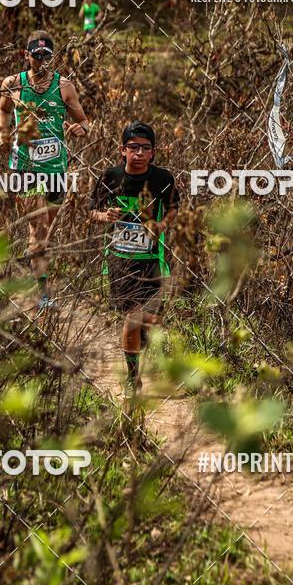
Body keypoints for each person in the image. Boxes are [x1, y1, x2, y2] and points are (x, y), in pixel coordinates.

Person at [0, 30, 90, 310]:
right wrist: (2, 133)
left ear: (52, 56)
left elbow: (84, 121)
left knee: (45, 230)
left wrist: (80, 129)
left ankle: (33, 256)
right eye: (35, 56)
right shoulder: (12, 84)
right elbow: (3, 109)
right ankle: (43, 294)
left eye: (45, 56)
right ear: (26, 56)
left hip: (55, 169)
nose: (40, 61)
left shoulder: (65, 87)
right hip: (24, 167)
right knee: (36, 228)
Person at [90, 121, 178, 394]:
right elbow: (91, 211)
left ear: (153, 152)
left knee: (150, 323)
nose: (139, 153)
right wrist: (105, 216)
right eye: (133, 148)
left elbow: (175, 208)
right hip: (120, 261)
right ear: (123, 150)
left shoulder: (163, 179)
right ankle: (132, 379)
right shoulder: (110, 176)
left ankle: (152, 357)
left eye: (145, 148)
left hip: (152, 260)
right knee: (132, 318)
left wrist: (161, 225)